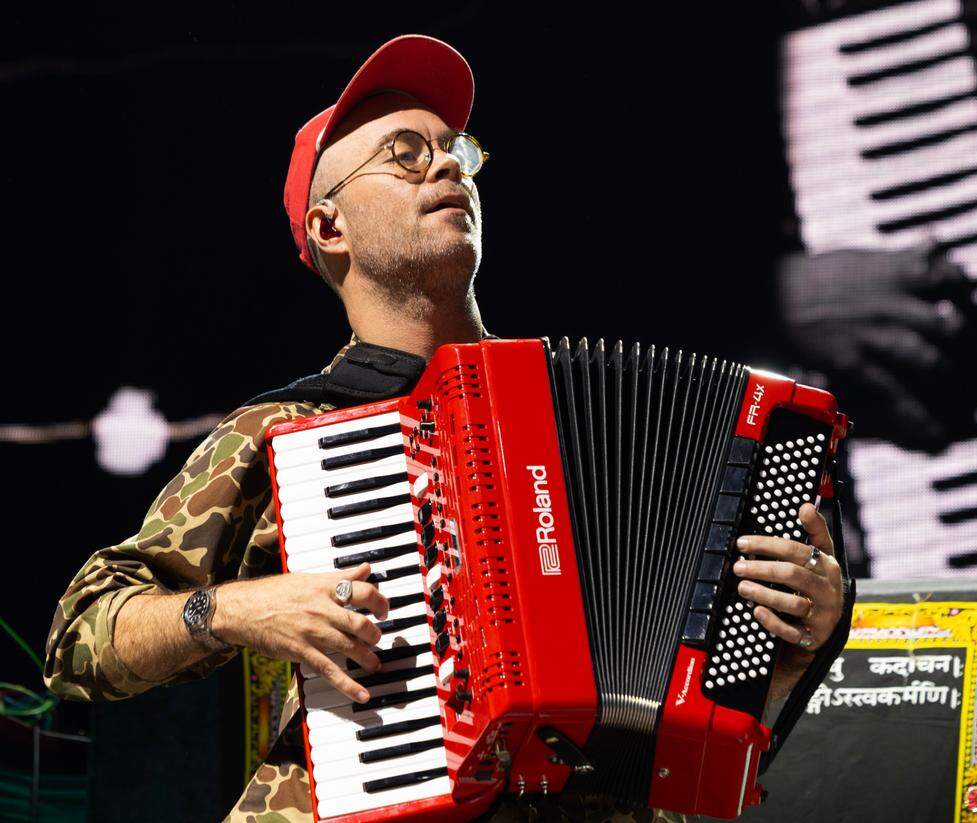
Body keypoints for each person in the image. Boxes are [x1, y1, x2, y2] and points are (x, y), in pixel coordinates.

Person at [43, 34, 846, 823]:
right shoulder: (290, 428)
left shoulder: (578, 405)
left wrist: (794, 651)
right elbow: (80, 636)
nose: (445, 165)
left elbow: (706, 736)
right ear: (330, 228)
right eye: (403, 152)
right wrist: (238, 611)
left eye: (455, 148)